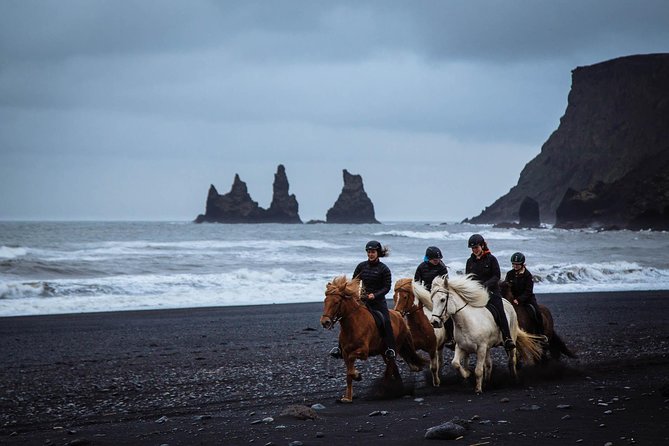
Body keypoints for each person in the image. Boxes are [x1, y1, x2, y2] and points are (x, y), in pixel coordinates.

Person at [330, 240, 397, 359]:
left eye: (373, 252)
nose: (370, 254)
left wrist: (375, 295)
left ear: (378, 253)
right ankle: (339, 348)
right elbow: (354, 282)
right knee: (345, 318)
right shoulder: (361, 266)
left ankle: (390, 348)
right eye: (369, 252)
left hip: (378, 302)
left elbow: (387, 287)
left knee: (386, 321)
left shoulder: (384, 269)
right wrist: (354, 294)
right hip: (363, 300)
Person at [465, 234, 515, 351]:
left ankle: (507, 338)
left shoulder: (491, 259)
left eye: (476, 247)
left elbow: (496, 276)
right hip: (476, 293)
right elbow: (468, 277)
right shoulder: (469, 261)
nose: (474, 250)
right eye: (472, 248)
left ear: (482, 245)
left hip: (491, 291)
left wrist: (485, 285)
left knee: (500, 310)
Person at [414, 246, 454, 347]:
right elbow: (416, 283)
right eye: (435, 260)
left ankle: (450, 337)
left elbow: (445, 282)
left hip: (438, 293)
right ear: (429, 259)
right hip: (426, 293)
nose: (437, 261)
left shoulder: (442, 267)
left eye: (439, 259)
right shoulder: (421, 267)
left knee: (448, 314)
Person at [504, 252, 544, 335]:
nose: (515, 266)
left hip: (527, 299)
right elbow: (506, 286)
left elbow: (528, 291)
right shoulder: (509, 274)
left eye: (517, 264)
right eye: (513, 264)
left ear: (522, 264)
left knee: (536, 312)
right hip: (513, 299)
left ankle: (541, 334)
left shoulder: (528, 275)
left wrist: (519, 300)